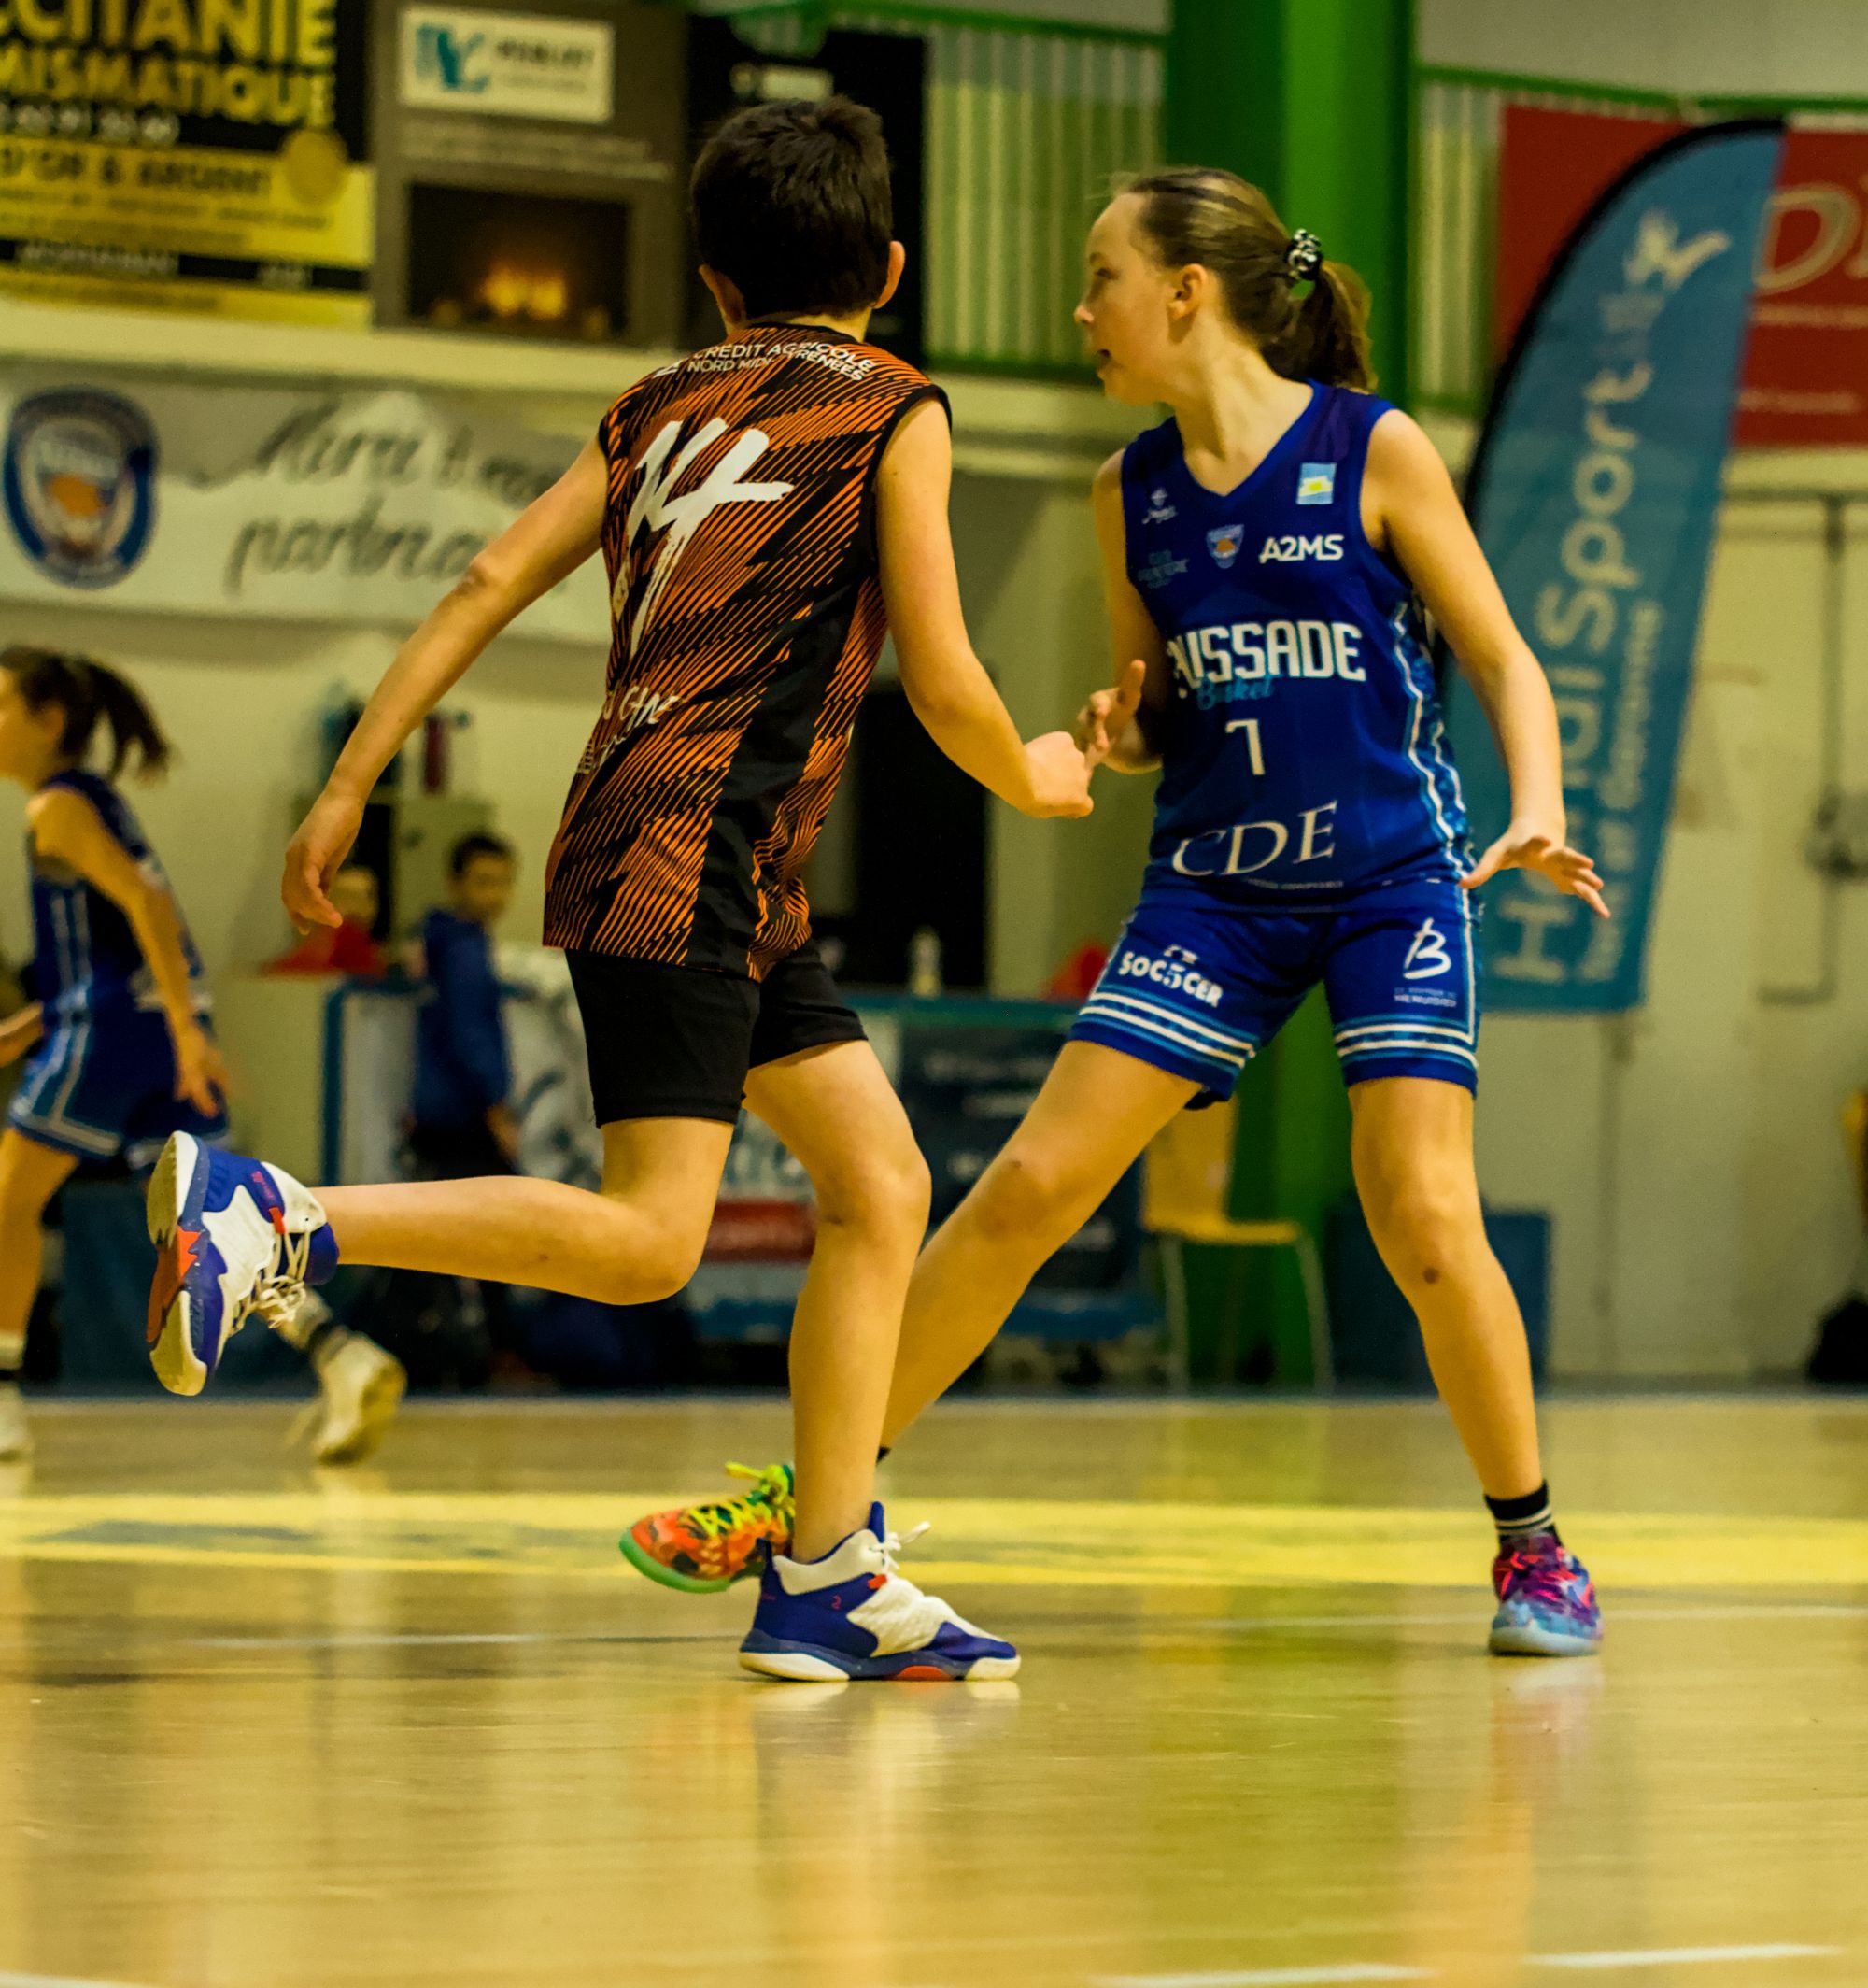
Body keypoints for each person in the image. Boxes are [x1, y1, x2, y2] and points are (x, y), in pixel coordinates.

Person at [140, 96, 1096, 1681]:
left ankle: (827, 1573)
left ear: (715, 282)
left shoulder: (653, 403)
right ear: (891, 268)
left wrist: (349, 779)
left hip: (689, 844)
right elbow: (941, 674)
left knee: (881, 1183)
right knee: (656, 1238)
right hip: (694, 845)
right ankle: (280, 1217)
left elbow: (485, 577)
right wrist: (1039, 773)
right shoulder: (893, 407)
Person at [624, 170, 1607, 1659]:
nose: (1080, 310)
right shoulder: (1127, 491)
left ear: (1187, 293)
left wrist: (1535, 798)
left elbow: (1505, 657)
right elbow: (1157, 712)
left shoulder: (1373, 448)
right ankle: (814, 1499)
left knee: (1420, 1210)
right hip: (1215, 890)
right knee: (1025, 1189)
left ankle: (1535, 1549)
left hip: (1388, 882)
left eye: (1102, 279)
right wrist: (1122, 730)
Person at [0, 646, 404, 1466]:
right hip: (142, 1030)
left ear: (49, 721)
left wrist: (186, 1033)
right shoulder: (94, 800)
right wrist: (57, 1028)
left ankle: (3, 1403)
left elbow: (148, 906)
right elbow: (114, 949)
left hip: (116, 1035)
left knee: (8, 1204)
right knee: (213, 1227)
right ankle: (338, 1351)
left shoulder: (56, 807)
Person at [264, 864, 387, 977]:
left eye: (368, 896)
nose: (363, 906)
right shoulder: (345, 935)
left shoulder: (350, 938)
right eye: (348, 896)